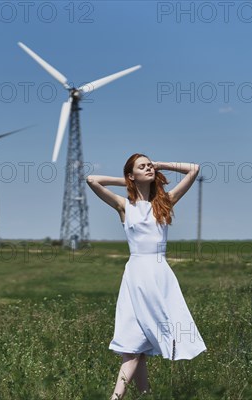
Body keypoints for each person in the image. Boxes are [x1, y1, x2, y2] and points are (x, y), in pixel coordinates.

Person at [86, 153, 206, 399]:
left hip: (158, 275)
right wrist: (129, 182)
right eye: (143, 166)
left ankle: (125, 396)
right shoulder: (123, 205)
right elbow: (92, 180)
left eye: (150, 165)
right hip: (134, 276)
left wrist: (161, 165)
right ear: (132, 174)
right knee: (132, 341)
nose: (149, 168)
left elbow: (193, 169)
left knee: (136, 344)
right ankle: (141, 394)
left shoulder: (165, 201)